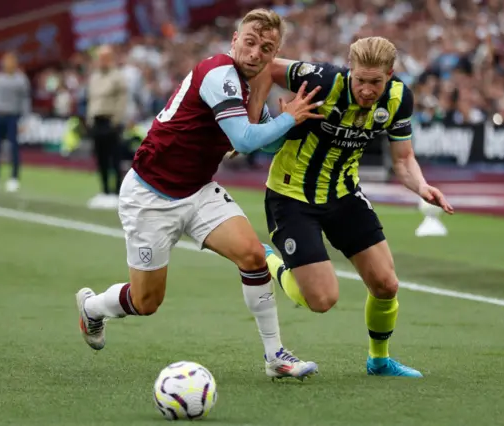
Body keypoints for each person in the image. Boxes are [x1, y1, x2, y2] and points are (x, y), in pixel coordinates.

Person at [75, 8, 324, 380]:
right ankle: (93, 308)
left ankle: (275, 356)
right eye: (251, 42)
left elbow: (263, 145)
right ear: (234, 40)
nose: (256, 52)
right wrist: (289, 120)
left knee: (253, 256)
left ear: (274, 55)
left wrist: (285, 121)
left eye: (266, 48)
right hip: (150, 195)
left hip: (197, 190)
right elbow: (243, 139)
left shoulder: (247, 86)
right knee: (146, 302)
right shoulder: (219, 73)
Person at [259, 36, 454, 377]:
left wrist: (421, 186)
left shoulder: (398, 98)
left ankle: (378, 361)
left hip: (344, 195)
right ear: (350, 70)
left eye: (375, 82)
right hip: (291, 197)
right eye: (360, 80)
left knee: (386, 285)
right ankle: (264, 257)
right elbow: (264, 68)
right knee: (320, 300)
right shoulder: (321, 80)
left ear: (390, 74)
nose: (366, 90)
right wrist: (256, 119)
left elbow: (404, 158)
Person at [86, 45, 130, 209]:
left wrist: (117, 120)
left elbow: (121, 100)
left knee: (115, 158)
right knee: (101, 158)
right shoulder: (95, 77)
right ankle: (104, 191)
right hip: (97, 121)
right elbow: (92, 100)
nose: (101, 61)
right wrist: (90, 119)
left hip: (111, 120)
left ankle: (117, 192)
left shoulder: (117, 77)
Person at [0, 52, 31, 193]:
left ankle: (14, 178)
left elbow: (25, 100)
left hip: (12, 116)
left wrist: (24, 120)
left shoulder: (21, 80)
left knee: (13, 148)